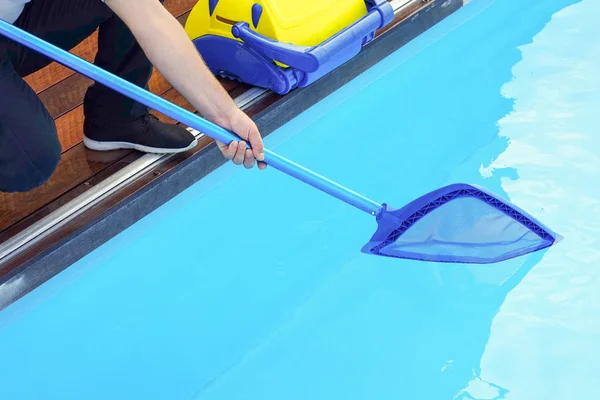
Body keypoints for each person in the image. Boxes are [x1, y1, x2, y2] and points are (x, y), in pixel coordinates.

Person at [0, 0, 267, 193]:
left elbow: (149, 17)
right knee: (29, 161)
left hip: (12, 27)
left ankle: (117, 117)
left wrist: (224, 115)